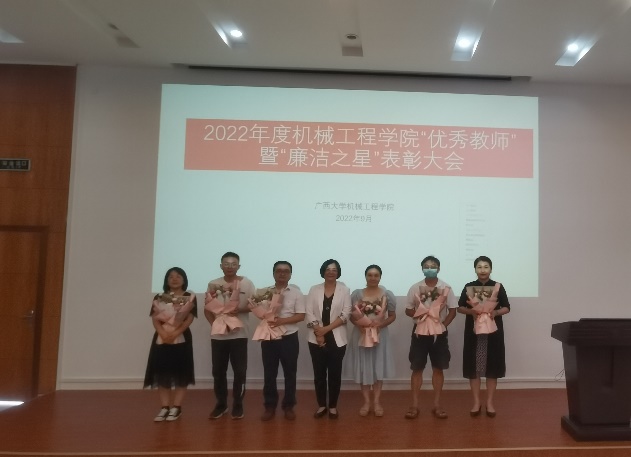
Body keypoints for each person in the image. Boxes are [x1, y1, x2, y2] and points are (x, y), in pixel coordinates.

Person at [404, 255, 457, 420]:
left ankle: (437, 405)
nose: (430, 268)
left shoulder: (446, 287)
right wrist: (420, 314)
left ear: (439, 269)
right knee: (417, 368)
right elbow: (408, 309)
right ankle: (414, 405)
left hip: (438, 332)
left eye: (433, 266)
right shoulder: (415, 287)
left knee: (438, 368)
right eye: (426, 266)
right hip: (419, 331)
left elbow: (453, 310)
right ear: (422, 269)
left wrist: (443, 325)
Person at [457, 255, 511, 418]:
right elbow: (460, 307)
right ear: (475, 269)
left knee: (492, 367)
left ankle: (489, 402)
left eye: (486, 267)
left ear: (491, 269)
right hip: (474, 332)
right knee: (474, 368)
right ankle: (476, 402)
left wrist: (496, 312)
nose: (483, 270)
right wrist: (471, 311)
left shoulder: (498, 286)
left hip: (493, 332)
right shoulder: (468, 286)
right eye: (479, 267)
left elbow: (507, 307)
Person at [205, 252, 256, 420]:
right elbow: (207, 309)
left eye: (233, 264)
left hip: (239, 335)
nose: (230, 267)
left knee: (240, 371)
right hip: (218, 336)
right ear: (221, 266)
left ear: (238, 266)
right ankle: (221, 404)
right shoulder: (213, 284)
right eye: (226, 264)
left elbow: (254, 305)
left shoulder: (246, 283)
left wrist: (239, 309)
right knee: (218, 371)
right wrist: (215, 325)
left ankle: (238, 404)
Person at [144, 267, 197, 422]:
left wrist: (175, 332)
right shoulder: (160, 297)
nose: (174, 279)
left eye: (178, 276)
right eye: (171, 276)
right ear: (166, 280)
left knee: (181, 372)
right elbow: (155, 318)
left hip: (182, 337)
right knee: (162, 372)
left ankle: (177, 407)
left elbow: (189, 318)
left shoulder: (189, 297)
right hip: (162, 338)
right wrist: (162, 332)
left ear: (184, 279)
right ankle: (164, 407)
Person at [258, 261, 305, 421]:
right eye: (279, 270)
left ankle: (289, 406)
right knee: (269, 373)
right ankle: (270, 406)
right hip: (269, 336)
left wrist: (281, 321)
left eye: (286, 271)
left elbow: (301, 316)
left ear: (290, 274)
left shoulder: (296, 293)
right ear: (273, 273)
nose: (282, 273)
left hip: (289, 337)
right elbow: (260, 312)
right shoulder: (265, 292)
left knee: (290, 373)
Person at [347, 264, 396, 417]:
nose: (373, 278)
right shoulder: (357, 294)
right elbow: (351, 316)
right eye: (370, 275)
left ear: (380, 277)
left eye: (376, 275)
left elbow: (392, 316)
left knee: (377, 367)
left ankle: (377, 402)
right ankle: (366, 402)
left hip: (379, 335)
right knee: (363, 368)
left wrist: (380, 324)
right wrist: (360, 325)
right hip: (361, 334)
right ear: (365, 276)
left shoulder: (387, 295)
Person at [305, 259, 352, 419]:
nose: (331, 272)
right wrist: (318, 333)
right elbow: (309, 312)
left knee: (334, 374)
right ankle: (321, 405)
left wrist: (325, 330)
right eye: (328, 269)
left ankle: (332, 406)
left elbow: (346, 313)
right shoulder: (314, 289)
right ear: (323, 271)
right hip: (315, 338)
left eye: (334, 269)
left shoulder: (344, 290)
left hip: (337, 338)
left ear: (338, 272)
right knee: (319, 374)